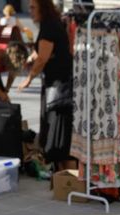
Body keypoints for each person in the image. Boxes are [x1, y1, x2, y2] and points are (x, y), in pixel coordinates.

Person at [20, 0, 71, 167]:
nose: (30, 11)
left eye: (33, 7)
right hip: (59, 84)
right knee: (58, 131)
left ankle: (64, 171)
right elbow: (41, 51)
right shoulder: (51, 24)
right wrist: (30, 58)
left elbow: (43, 57)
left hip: (58, 87)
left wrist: (28, 79)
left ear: (43, 8)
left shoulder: (49, 27)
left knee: (58, 131)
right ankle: (61, 170)